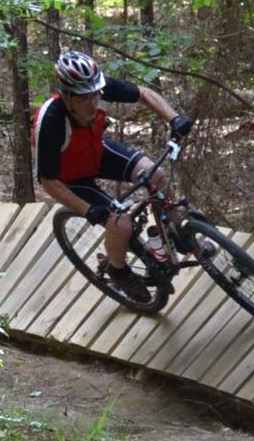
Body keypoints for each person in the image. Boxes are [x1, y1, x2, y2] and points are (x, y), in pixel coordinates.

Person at [34, 49, 192, 304]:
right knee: (120, 224)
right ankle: (118, 271)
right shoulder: (51, 121)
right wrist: (87, 210)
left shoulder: (100, 89)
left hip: (96, 153)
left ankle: (180, 231)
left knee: (157, 175)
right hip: (71, 179)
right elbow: (48, 182)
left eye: (96, 94)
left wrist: (174, 118)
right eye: (85, 98)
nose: (94, 102)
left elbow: (142, 93)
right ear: (66, 95)